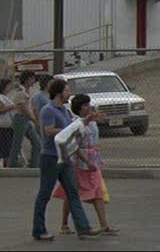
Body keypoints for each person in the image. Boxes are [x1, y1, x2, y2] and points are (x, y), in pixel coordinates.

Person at [32, 79, 102, 241]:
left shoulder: (64, 111)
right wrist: (70, 129)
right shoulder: (48, 111)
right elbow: (49, 131)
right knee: (44, 194)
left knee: (73, 192)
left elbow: (73, 131)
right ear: (58, 93)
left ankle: (83, 227)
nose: (69, 93)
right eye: (66, 90)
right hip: (51, 157)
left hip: (65, 156)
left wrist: (87, 120)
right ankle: (39, 229)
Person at [52, 94, 119, 236]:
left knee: (97, 192)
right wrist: (87, 161)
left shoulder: (92, 122)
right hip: (80, 162)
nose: (89, 107)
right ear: (79, 108)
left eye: (89, 104)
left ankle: (104, 225)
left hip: (92, 160)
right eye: (85, 105)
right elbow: (75, 145)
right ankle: (64, 224)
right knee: (71, 193)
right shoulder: (75, 123)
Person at [9, 71, 41, 168]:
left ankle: (34, 164)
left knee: (36, 143)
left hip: (26, 120)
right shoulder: (20, 92)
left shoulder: (25, 91)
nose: (33, 81)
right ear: (27, 79)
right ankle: (12, 164)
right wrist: (34, 120)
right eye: (32, 79)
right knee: (17, 143)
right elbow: (24, 109)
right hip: (20, 119)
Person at [0, 78, 16, 167]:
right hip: (3, 126)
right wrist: (12, 107)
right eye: (9, 85)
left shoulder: (5, 97)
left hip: (8, 126)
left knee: (7, 148)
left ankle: (7, 165)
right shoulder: (0, 97)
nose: (11, 87)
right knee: (3, 147)